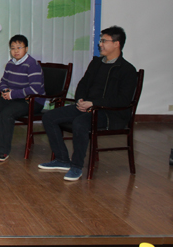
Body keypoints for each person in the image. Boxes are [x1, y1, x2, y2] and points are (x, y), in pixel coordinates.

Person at [38, 26, 138, 181]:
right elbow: (83, 84)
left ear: (116, 44)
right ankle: (62, 159)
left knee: (80, 123)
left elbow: (123, 100)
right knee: (49, 117)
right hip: (87, 107)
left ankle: (76, 166)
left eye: (104, 41)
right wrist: (80, 100)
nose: (100, 44)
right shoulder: (96, 63)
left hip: (110, 113)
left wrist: (93, 103)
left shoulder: (127, 70)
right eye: (100, 40)